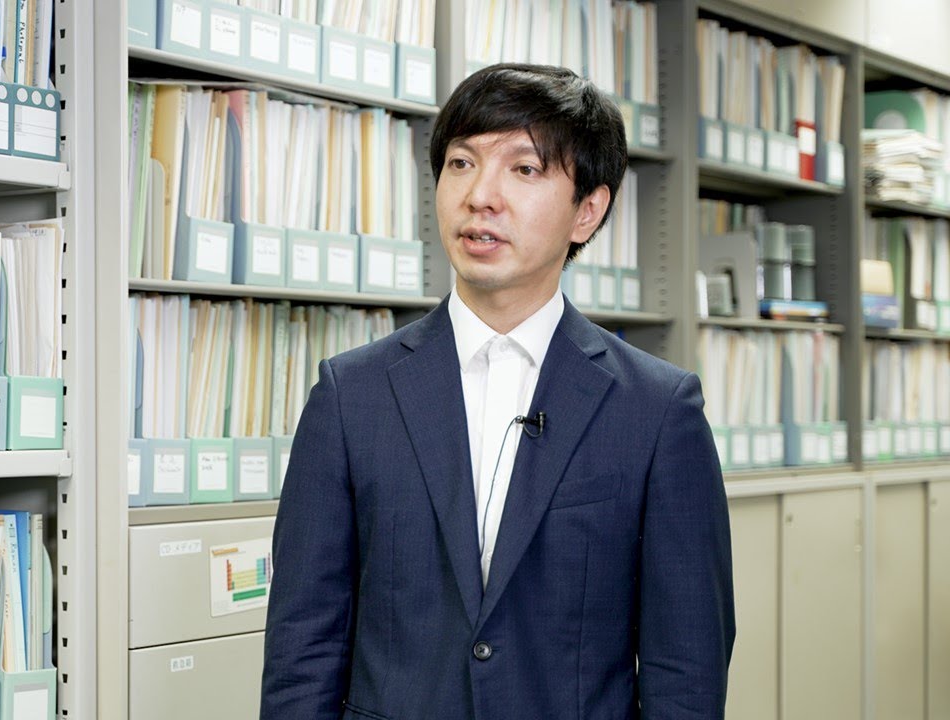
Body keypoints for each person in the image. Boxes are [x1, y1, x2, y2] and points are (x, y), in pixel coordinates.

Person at [260, 64, 735, 720]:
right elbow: (302, 647)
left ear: (588, 211)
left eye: (524, 169)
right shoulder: (351, 395)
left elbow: (687, 668)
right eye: (461, 163)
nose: (480, 195)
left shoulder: (656, 411)